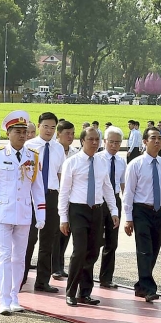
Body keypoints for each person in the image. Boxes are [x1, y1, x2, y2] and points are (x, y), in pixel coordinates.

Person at [0, 110, 45, 315]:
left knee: (20, 257)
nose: (21, 135)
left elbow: (37, 187)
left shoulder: (33, 157)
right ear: (8, 133)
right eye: (17, 131)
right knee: (3, 256)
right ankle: (4, 299)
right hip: (3, 212)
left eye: (24, 131)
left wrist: (41, 213)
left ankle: (15, 296)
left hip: (24, 213)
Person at [59, 127, 118, 307]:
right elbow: (64, 191)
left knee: (93, 251)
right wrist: (63, 217)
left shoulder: (101, 162)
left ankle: (85, 292)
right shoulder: (72, 162)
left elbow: (107, 187)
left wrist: (114, 211)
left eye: (97, 139)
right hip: (78, 210)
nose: (94, 142)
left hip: (97, 210)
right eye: (90, 139)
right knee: (79, 251)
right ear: (82, 141)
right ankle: (71, 292)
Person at [123, 126, 161, 302]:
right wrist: (128, 218)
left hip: (158, 212)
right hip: (141, 211)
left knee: (153, 250)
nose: (157, 141)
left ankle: (141, 285)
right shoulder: (136, 165)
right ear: (145, 142)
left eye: (159, 138)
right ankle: (149, 288)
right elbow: (128, 193)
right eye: (152, 138)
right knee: (144, 250)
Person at [23, 112, 64, 293]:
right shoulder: (29, 146)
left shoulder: (58, 148)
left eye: (53, 127)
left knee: (48, 241)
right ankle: (20, 277)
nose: (49, 130)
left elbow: (60, 175)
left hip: (52, 196)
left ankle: (42, 281)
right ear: (39, 126)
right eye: (46, 126)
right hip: (32, 196)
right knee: (29, 238)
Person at [98, 126, 127, 290]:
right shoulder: (97, 159)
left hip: (115, 201)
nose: (114, 146)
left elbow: (123, 185)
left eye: (118, 142)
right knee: (94, 241)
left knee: (112, 241)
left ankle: (106, 277)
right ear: (105, 142)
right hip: (98, 200)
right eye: (111, 142)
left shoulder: (121, 161)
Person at [51, 119, 76, 280]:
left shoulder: (75, 153)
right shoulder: (53, 150)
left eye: (73, 134)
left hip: (71, 198)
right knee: (55, 233)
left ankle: (60, 262)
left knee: (66, 233)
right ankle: (55, 266)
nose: (71, 136)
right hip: (56, 196)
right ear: (58, 134)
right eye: (67, 133)